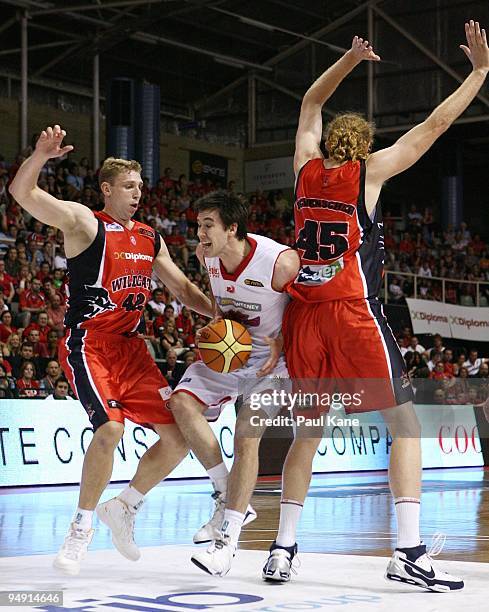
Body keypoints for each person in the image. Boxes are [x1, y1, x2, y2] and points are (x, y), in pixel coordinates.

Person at [268, 23, 489, 592]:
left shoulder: (301, 169)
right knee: (405, 425)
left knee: (306, 435)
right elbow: (434, 126)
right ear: (362, 147)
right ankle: (409, 550)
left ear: (325, 141)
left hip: (303, 319)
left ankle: (282, 549)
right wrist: (481, 74)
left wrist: (347, 58)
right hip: (351, 314)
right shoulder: (367, 175)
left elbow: (310, 100)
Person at [9, 125, 213, 576]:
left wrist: (219, 312)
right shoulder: (84, 221)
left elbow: (181, 288)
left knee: (178, 439)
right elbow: (22, 192)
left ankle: (124, 507)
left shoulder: (149, 237)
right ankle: (80, 528)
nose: (137, 193)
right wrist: (41, 155)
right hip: (90, 344)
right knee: (110, 431)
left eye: (140, 186)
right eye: (128, 186)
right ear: (106, 189)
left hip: (133, 350)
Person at [99, 190, 299, 574]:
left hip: (273, 363)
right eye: (198, 225)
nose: (200, 233)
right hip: (232, 353)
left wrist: (284, 339)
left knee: (245, 436)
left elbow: (313, 305)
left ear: (233, 228)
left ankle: (227, 542)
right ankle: (225, 491)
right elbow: (221, 303)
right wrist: (217, 329)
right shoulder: (207, 258)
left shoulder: (280, 261)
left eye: (208, 225)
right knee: (180, 402)